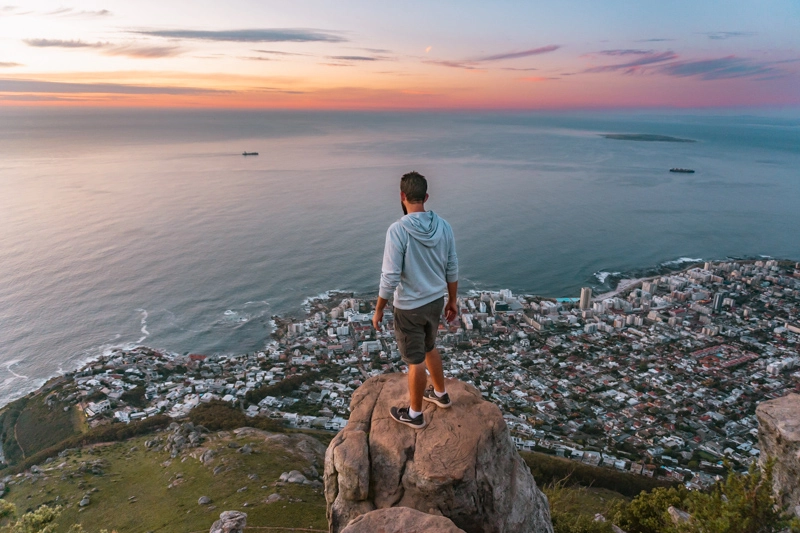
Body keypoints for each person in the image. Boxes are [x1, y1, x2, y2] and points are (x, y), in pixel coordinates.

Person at [372, 171, 458, 429]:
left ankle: (414, 414)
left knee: (415, 360)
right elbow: (452, 265)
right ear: (426, 196)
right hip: (435, 301)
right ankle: (440, 394)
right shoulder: (443, 226)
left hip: (409, 306)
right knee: (430, 347)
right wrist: (452, 300)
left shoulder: (398, 231)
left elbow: (389, 277)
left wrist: (378, 310)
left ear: (402, 196)